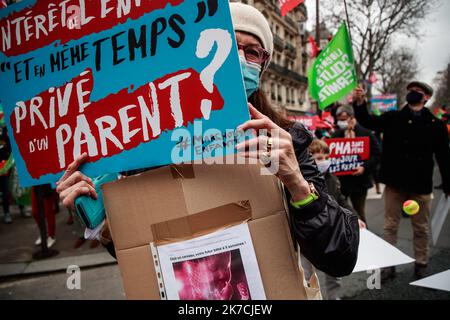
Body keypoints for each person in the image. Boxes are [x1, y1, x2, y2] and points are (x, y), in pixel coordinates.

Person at [56, 3, 360, 289]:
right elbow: (143, 251)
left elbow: (339, 258)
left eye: (252, 51)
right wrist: (105, 224)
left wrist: (296, 182)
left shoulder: (285, 140)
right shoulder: (158, 142)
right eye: (227, 42)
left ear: (263, 64)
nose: (239, 57)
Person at [353, 81, 450, 280]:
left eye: (418, 91)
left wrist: (447, 183)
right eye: (410, 90)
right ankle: (388, 265)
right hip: (395, 183)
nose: (413, 93)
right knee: (390, 226)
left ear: (426, 98)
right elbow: (369, 121)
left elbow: (444, 156)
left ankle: (421, 263)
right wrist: (360, 103)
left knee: (421, 228)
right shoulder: (394, 117)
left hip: (420, 185)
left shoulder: (436, 125)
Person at [308, 139, 366, 300]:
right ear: (309, 158)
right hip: (310, 234)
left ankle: (334, 297)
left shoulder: (332, 179)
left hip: (331, 232)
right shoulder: (304, 179)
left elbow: (341, 200)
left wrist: (356, 218)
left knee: (334, 270)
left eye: (327, 157)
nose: (324, 161)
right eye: (319, 158)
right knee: (306, 273)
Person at [332, 105, 381, 224]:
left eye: (344, 118)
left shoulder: (365, 133)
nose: (341, 121)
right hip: (341, 182)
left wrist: (364, 167)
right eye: (339, 118)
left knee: (359, 213)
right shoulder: (335, 134)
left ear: (351, 117)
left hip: (359, 182)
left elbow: (377, 153)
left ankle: (364, 237)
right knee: (340, 213)